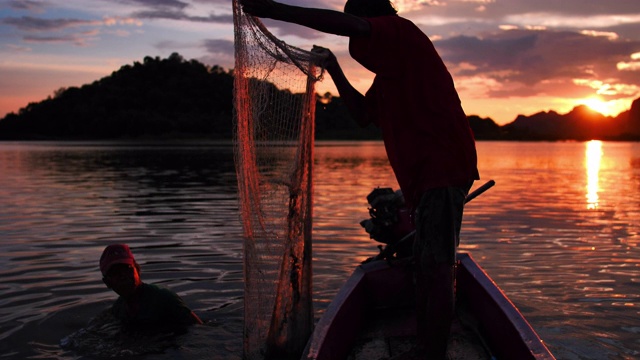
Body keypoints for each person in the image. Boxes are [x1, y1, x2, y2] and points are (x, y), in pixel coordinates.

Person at [238, 0, 480, 358]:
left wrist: (270, 8)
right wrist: (334, 69)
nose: (360, 41)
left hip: (442, 167)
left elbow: (348, 25)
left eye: (359, 25)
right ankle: (428, 343)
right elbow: (363, 115)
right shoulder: (392, 74)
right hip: (426, 178)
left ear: (373, 18)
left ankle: (432, 352)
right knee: (427, 266)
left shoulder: (404, 33)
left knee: (437, 268)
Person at [100, 243, 203, 334]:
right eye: (115, 273)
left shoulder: (163, 298)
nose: (123, 276)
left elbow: (200, 330)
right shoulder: (118, 309)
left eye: (127, 269)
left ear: (138, 270)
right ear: (107, 283)